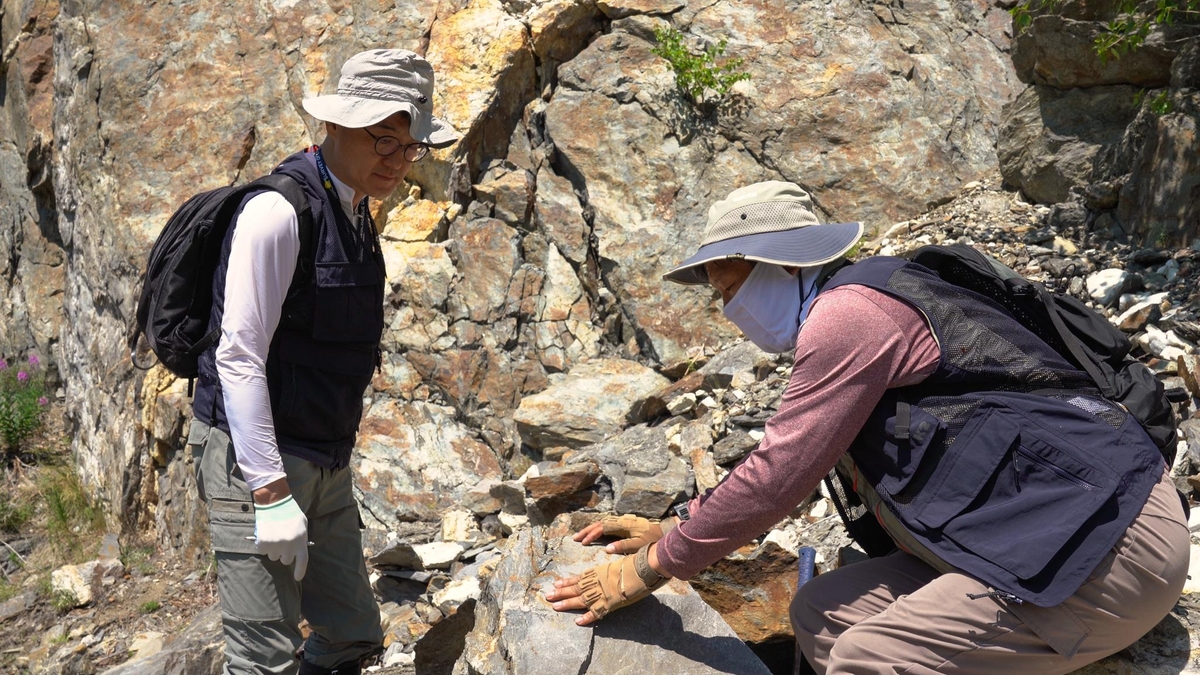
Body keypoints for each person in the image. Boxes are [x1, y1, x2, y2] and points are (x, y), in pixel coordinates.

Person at [545, 181, 1189, 674]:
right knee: (819, 616)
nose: (727, 307)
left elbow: (779, 474)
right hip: (1047, 529)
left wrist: (656, 564)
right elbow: (788, 461)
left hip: (1108, 547)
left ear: (783, 264)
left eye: (731, 284)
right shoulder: (873, 292)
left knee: (869, 659)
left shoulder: (848, 318)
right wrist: (679, 526)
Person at [186, 49, 458, 675]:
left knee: (353, 640)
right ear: (333, 127)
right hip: (254, 463)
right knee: (263, 662)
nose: (398, 161)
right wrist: (271, 491)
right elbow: (239, 357)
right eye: (384, 140)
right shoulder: (279, 212)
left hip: (323, 459)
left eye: (412, 146)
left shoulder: (356, 206)